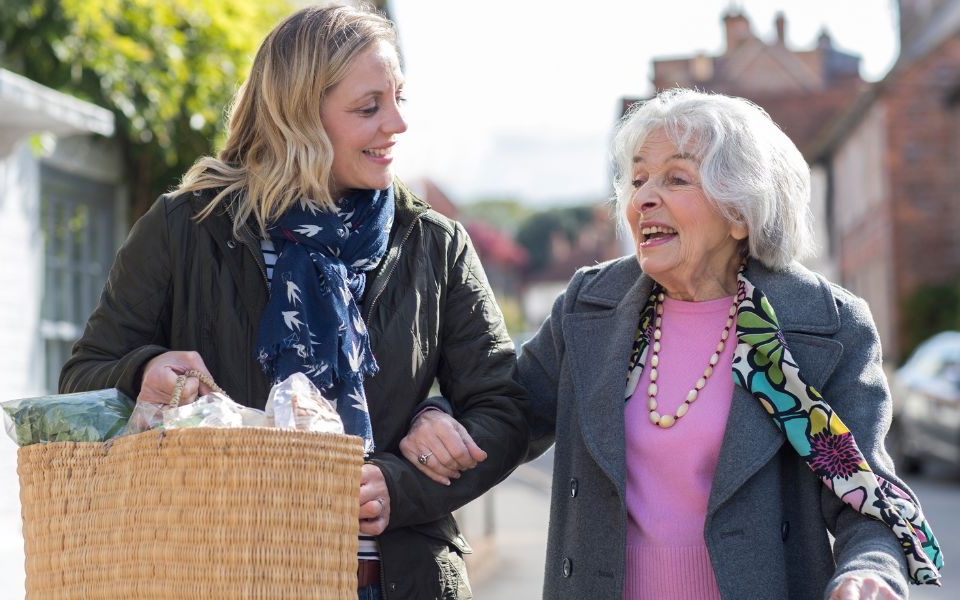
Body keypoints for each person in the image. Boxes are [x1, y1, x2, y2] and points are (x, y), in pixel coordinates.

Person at [59, 4, 528, 599]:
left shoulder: (434, 244)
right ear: (299, 116)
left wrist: (402, 481)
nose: (398, 125)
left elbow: (504, 409)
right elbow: (82, 378)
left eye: (398, 99)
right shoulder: (185, 227)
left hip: (394, 582)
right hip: (217, 576)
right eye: (368, 107)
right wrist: (143, 371)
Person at [402, 88, 943, 599]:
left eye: (676, 179)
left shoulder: (823, 324)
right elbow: (507, 415)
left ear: (739, 210)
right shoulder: (592, 305)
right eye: (637, 181)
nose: (644, 200)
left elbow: (863, 497)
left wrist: (868, 573)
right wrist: (436, 420)